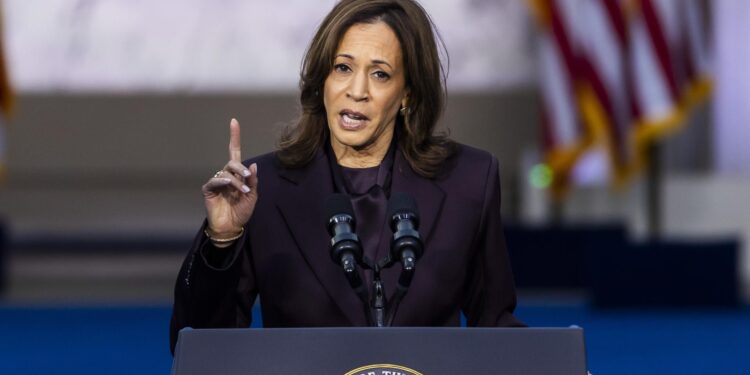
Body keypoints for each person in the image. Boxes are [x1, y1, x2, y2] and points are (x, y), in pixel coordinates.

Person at [170, 0, 523, 353]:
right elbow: (197, 345)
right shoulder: (264, 190)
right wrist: (222, 240)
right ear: (322, 79)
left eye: (380, 74)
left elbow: (497, 328)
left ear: (408, 94)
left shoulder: (467, 182)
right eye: (342, 68)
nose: (357, 90)